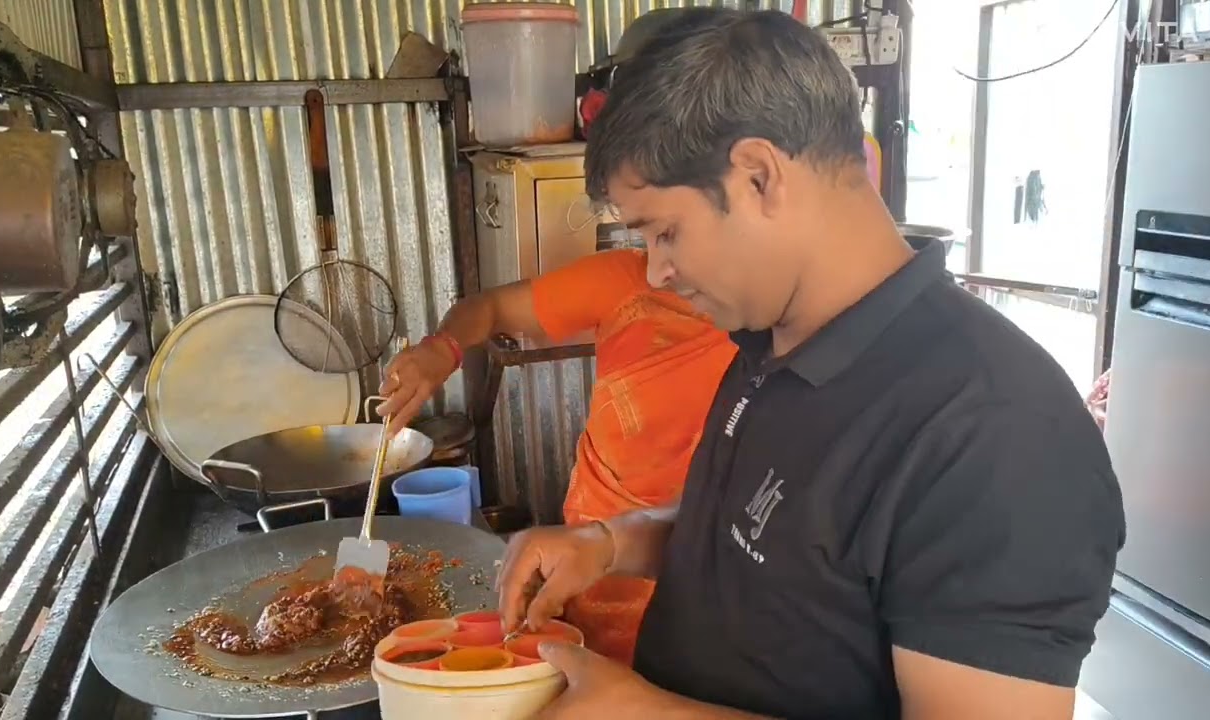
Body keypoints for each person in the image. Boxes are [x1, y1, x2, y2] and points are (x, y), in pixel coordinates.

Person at [495, 9, 1126, 720]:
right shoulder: (769, 341)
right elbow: (765, 542)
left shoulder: (996, 434)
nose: (657, 271)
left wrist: (651, 714)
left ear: (758, 176)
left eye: (665, 232)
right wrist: (609, 543)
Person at [376, 244, 735, 664]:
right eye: (648, 233)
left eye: (670, 230)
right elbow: (489, 308)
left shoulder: (775, 338)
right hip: (584, 570)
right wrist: (444, 347)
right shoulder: (627, 281)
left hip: (703, 595)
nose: (657, 268)